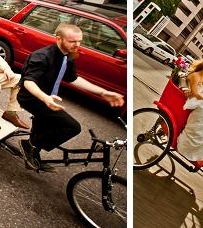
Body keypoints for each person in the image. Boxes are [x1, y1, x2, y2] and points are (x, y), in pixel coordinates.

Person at [17, 23, 125, 171]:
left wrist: (102, 92)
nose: (77, 45)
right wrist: (45, 98)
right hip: (32, 98)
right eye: (72, 41)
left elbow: (73, 78)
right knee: (72, 127)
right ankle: (30, 145)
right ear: (58, 39)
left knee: (44, 124)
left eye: (79, 41)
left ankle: (33, 152)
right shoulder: (42, 56)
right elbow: (29, 82)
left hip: (49, 98)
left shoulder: (67, 56)